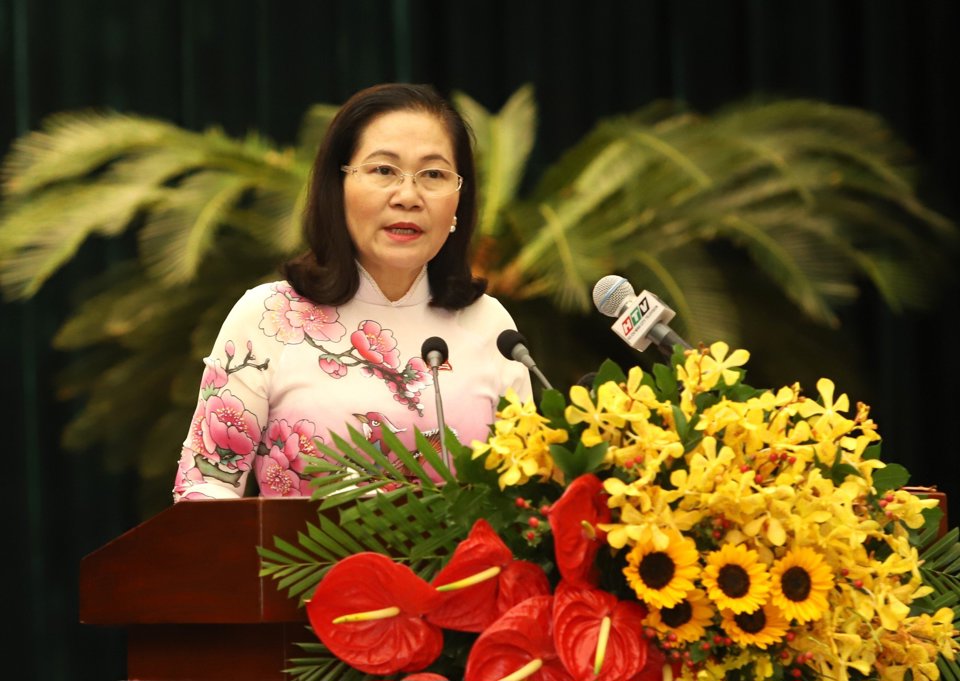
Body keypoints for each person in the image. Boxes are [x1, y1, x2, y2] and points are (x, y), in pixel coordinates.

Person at [172, 83, 532, 501]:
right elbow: (204, 485)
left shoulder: (491, 326)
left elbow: (523, 498)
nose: (408, 196)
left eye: (433, 174)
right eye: (383, 170)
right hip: (305, 565)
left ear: (459, 199)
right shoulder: (269, 317)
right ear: (336, 187)